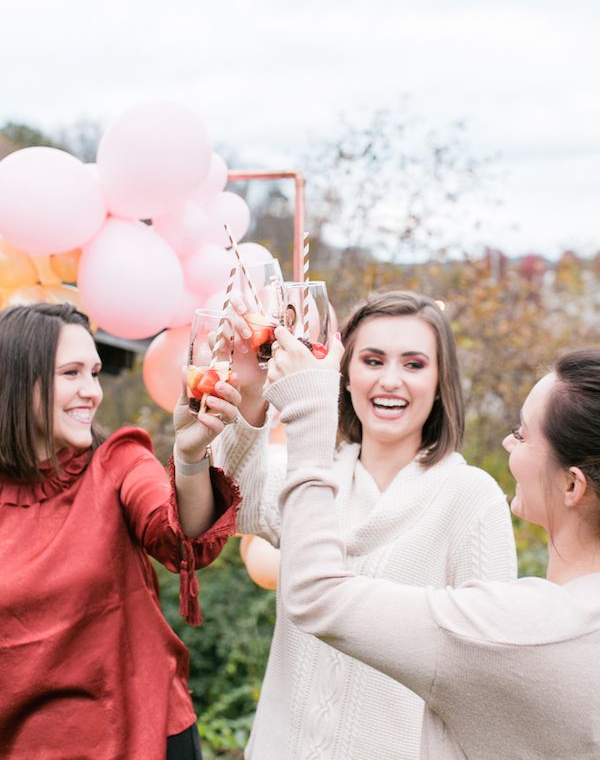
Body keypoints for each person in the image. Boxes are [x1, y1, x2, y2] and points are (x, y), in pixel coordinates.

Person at [213, 291, 517, 759]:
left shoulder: (471, 498)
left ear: (440, 382)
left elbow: (490, 676)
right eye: (372, 360)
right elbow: (235, 503)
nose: (390, 380)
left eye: (414, 365)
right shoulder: (313, 472)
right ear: (345, 375)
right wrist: (251, 393)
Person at [268, 331, 600, 759]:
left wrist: (309, 412)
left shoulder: (508, 630)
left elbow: (315, 594)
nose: (507, 443)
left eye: (521, 434)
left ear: (572, 484)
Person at [0, 302, 242, 760]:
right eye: (71, 373)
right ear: (15, 381)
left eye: (94, 373)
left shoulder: (118, 461)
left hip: (141, 735)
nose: (92, 391)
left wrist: (190, 457)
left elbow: (180, 538)